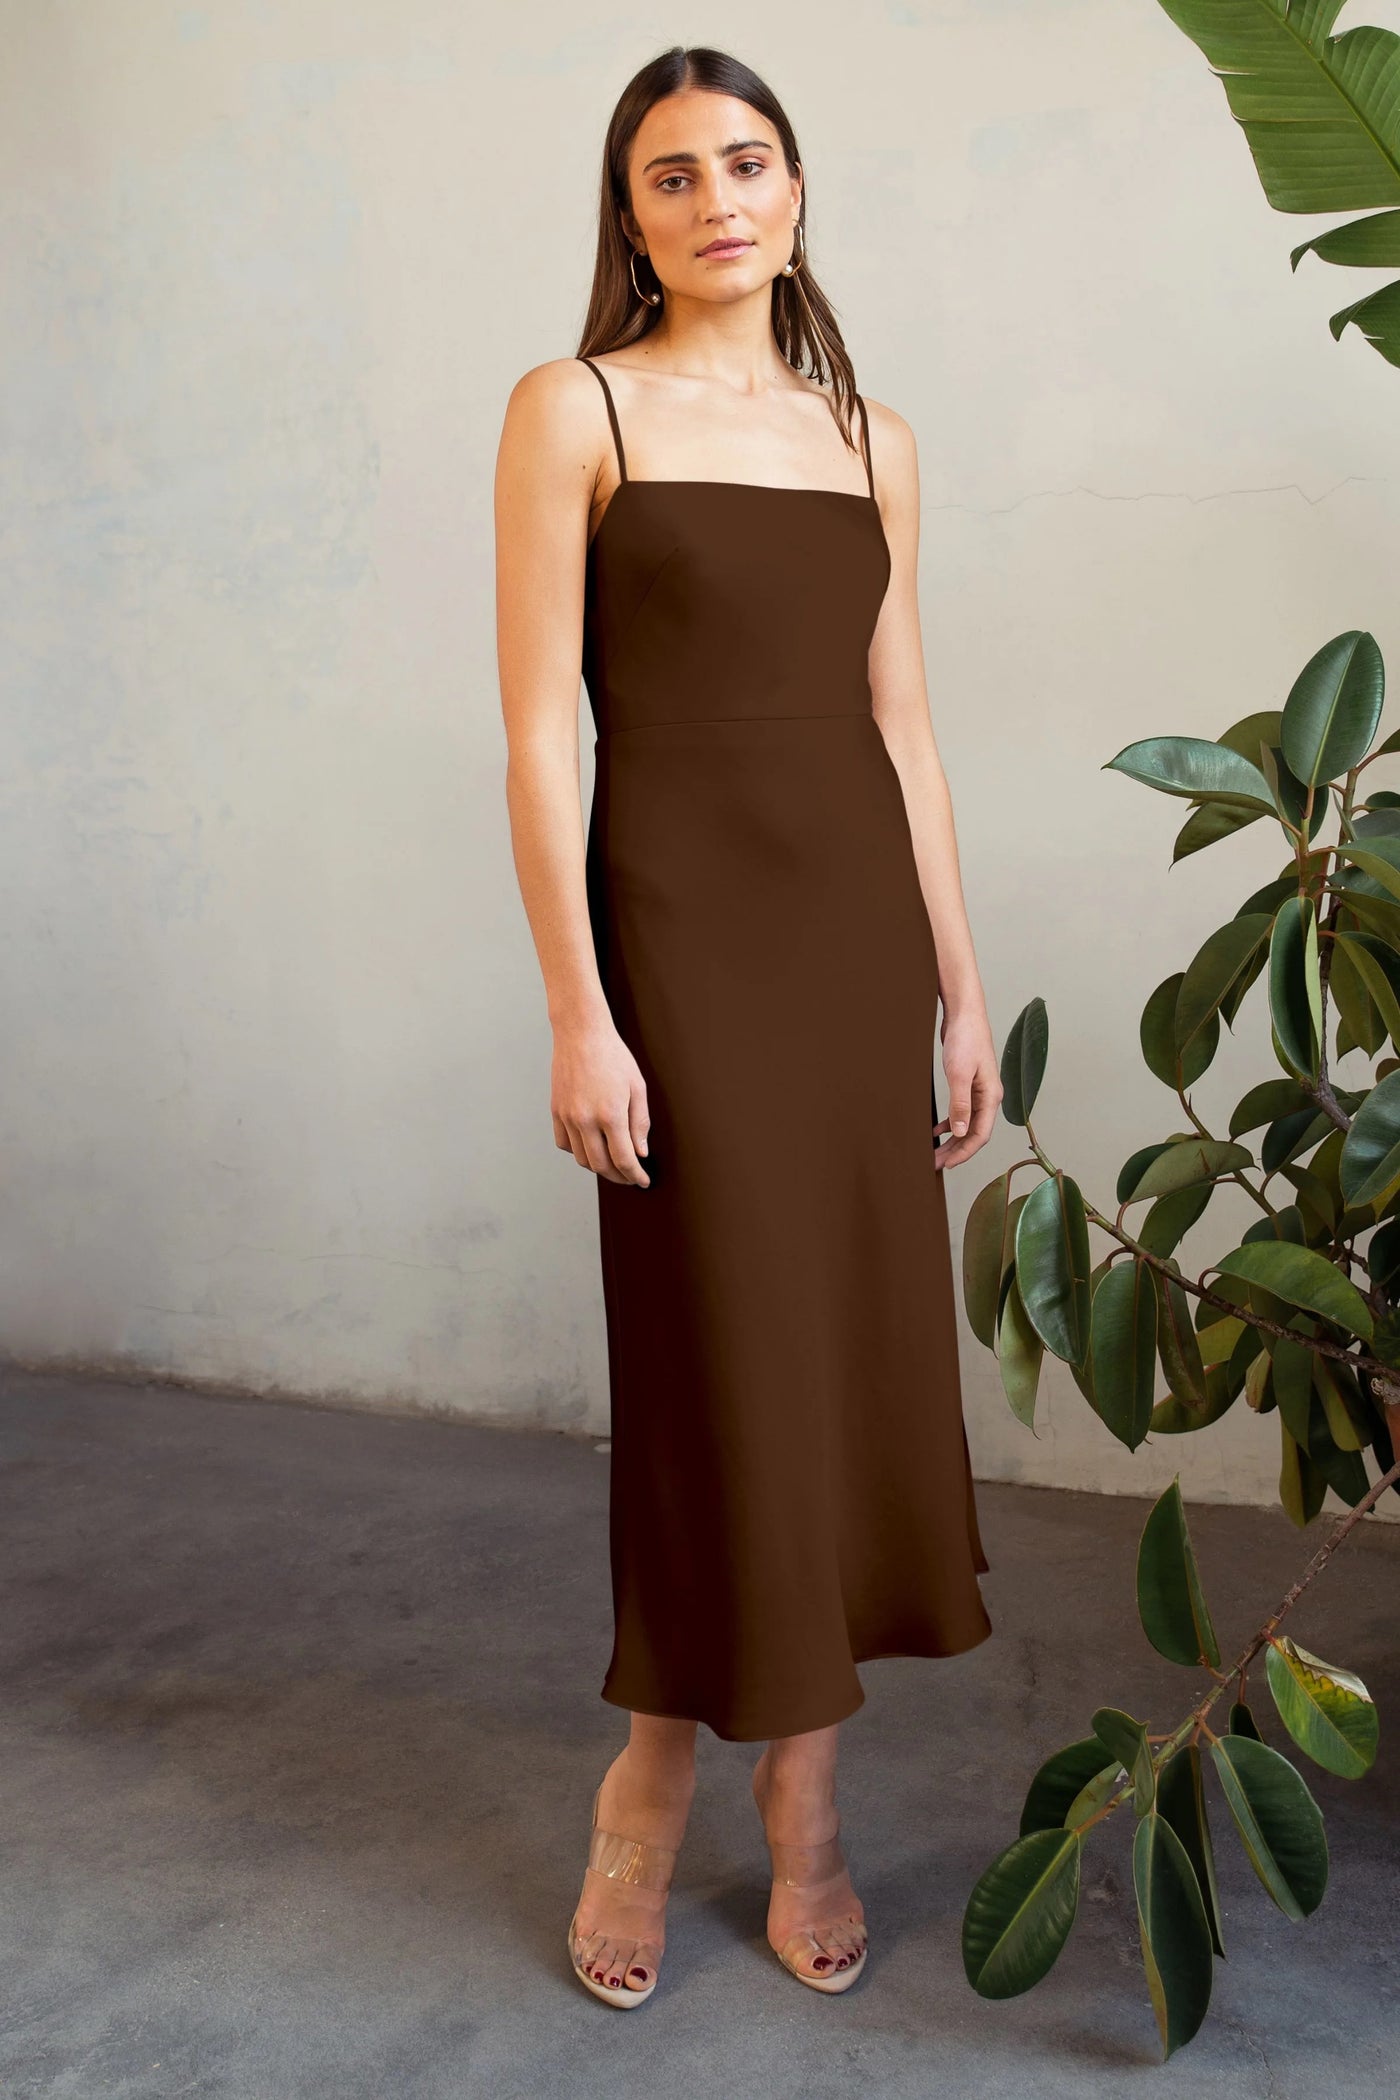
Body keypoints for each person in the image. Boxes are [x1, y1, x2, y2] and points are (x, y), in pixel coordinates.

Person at [495, 44, 1002, 2008]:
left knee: (858, 1366)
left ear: (797, 190)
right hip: (679, 945)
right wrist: (576, 1008)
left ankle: (806, 1798)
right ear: (628, 219)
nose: (719, 199)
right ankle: (645, 1782)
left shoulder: (870, 434)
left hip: (852, 947)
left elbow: (903, 724)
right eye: (672, 175)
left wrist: (962, 984)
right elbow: (544, 726)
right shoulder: (575, 408)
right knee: (717, 1372)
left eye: (750, 162)